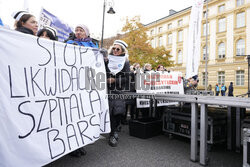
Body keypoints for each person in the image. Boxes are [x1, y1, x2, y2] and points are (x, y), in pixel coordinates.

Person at [66, 24, 97, 157]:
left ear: (86, 33)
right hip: (70, 83)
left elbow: (97, 61)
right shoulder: (68, 43)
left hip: (86, 84)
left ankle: (80, 143)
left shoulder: (93, 45)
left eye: (81, 30)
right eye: (77, 30)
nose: (78, 32)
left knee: (83, 114)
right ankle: (71, 146)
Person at [106, 40, 130, 147]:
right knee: (109, 112)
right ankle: (112, 131)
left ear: (122, 51)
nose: (115, 50)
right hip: (106, 89)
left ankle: (114, 132)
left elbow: (128, 78)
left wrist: (114, 80)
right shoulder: (107, 60)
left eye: (118, 49)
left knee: (117, 112)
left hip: (118, 90)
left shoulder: (125, 62)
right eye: (114, 48)